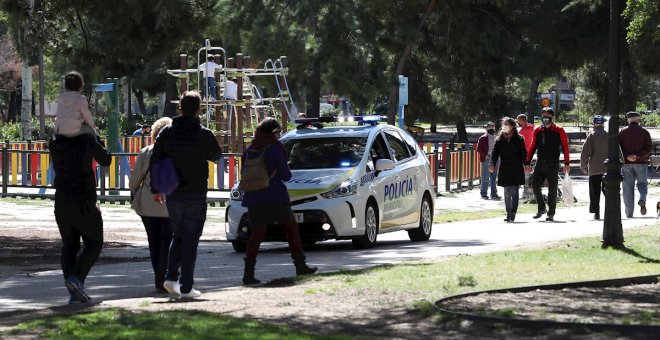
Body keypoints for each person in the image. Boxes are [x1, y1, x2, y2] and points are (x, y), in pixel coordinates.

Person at [149, 91, 222, 299]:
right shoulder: (203, 133)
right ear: (199, 110)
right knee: (191, 239)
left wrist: (157, 189)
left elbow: (155, 159)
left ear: (180, 108)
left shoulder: (166, 133)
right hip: (196, 191)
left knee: (178, 234)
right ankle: (187, 286)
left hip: (173, 191)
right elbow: (216, 155)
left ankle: (171, 278)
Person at [241, 117, 317, 285]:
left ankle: (248, 274)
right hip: (275, 196)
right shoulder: (275, 147)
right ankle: (300, 265)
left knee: (256, 236)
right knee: (291, 230)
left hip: (254, 198)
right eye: (278, 132)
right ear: (273, 132)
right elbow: (286, 175)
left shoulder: (250, 149)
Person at [49, 128, 112, 304]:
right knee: (94, 242)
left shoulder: (55, 140)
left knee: (69, 245)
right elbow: (106, 159)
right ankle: (76, 279)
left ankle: (74, 292)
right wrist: (94, 136)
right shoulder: (87, 139)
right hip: (84, 200)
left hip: (62, 201)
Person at [129, 117, 173, 293]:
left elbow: (134, 180)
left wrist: (133, 193)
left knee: (153, 241)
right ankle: (165, 276)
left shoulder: (146, 151)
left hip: (148, 201)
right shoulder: (175, 152)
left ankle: (158, 276)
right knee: (167, 240)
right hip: (169, 202)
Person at [525, 107, 570, 222]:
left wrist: (567, 163)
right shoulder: (538, 130)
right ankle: (541, 208)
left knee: (552, 189)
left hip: (553, 163)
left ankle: (551, 213)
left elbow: (565, 147)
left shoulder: (559, 130)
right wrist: (527, 162)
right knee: (534, 185)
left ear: (552, 117)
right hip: (540, 163)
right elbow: (532, 146)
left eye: (548, 115)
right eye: (543, 115)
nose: (545, 117)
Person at [490, 117, 527, 222]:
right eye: (504, 124)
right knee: (506, 191)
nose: (504, 126)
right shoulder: (499, 139)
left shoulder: (519, 139)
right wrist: (492, 164)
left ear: (512, 126)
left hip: (516, 167)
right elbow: (495, 153)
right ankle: (508, 213)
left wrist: (527, 164)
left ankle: (513, 212)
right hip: (505, 168)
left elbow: (523, 153)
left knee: (514, 191)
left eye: (507, 124)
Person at [619, 111, 653, 218]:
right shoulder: (644, 132)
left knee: (627, 187)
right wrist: (637, 156)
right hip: (641, 162)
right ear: (637, 119)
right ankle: (642, 198)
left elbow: (618, 148)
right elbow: (648, 148)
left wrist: (627, 156)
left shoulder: (622, 132)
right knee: (642, 184)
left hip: (626, 163)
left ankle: (629, 213)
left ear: (628, 119)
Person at [580, 115, 610, 220]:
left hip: (594, 168)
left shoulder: (591, 136)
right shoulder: (608, 135)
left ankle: (596, 213)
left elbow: (585, 152)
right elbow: (617, 149)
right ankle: (611, 211)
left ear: (594, 123)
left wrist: (583, 166)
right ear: (603, 123)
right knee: (609, 191)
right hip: (608, 168)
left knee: (594, 192)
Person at [54, 71, 97, 137]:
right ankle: (97, 146)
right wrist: (92, 125)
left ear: (65, 86)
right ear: (80, 86)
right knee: (91, 131)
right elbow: (86, 116)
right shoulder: (81, 99)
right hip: (75, 131)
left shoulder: (61, 98)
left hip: (60, 130)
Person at [476, 122, 500, 200]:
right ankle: (483, 194)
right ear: (486, 128)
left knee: (493, 177)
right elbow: (478, 149)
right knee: (485, 177)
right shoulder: (483, 138)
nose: (491, 128)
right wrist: (485, 155)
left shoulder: (497, 137)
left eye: (493, 127)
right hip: (487, 158)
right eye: (489, 127)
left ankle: (494, 193)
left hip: (495, 159)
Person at [517, 114, 535, 201]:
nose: (518, 122)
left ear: (522, 121)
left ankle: (525, 193)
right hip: (530, 154)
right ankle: (528, 192)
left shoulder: (523, 131)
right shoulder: (532, 127)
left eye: (518, 121)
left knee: (525, 174)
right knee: (528, 173)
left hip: (523, 154)